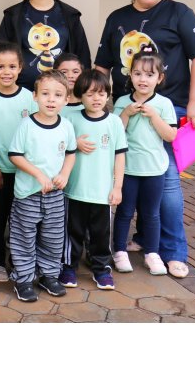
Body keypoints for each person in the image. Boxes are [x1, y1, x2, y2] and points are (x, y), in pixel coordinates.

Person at [95, 0, 195, 279]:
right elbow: (102, 65)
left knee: (167, 181)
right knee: (135, 176)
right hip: (126, 110)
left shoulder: (179, 13)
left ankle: (174, 252)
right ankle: (146, 239)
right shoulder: (117, 18)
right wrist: (99, 105)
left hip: (170, 109)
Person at [8, 70, 76, 302]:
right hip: (28, 194)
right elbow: (15, 155)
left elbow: (71, 153)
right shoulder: (27, 125)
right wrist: (38, 174)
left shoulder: (66, 126)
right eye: (45, 94)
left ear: (66, 99)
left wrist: (65, 174)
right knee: (24, 238)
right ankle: (24, 279)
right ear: (35, 96)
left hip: (55, 195)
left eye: (58, 95)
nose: (51, 99)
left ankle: (49, 275)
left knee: (53, 237)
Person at [111, 49, 177, 276]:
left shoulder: (164, 104)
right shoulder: (122, 102)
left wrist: (154, 116)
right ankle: (119, 250)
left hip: (154, 169)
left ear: (159, 78)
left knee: (151, 213)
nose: (143, 79)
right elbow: (115, 133)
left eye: (149, 75)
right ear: (130, 75)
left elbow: (170, 135)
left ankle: (152, 253)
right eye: (137, 73)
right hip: (128, 168)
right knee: (124, 211)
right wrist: (126, 114)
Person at [60, 70, 127, 290]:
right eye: (89, 94)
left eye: (101, 93)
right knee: (72, 232)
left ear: (108, 94)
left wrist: (117, 187)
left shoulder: (114, 122)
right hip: (74, 189)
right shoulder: (71, 118)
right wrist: (74, 143)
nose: (96, 98)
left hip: (102, 192)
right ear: (80, 95)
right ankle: (68, 267)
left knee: (101, 234)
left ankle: (102, 270)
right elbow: (59, 144)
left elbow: (120, 156)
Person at [0, 42, 37, 283]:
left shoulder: (30, 98)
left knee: (21, 221)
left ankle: (19, 260)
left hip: (23, 172)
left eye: (12, 66)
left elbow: (36, 134)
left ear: (20, 67)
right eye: (1, 66)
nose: (7, 72)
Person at [0, 0, 91, 91]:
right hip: (22, 93)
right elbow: (0, 58)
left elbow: (83, 58)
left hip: (61, 95)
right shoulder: (13, 16)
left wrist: (81, 93)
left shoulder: (70, 16)